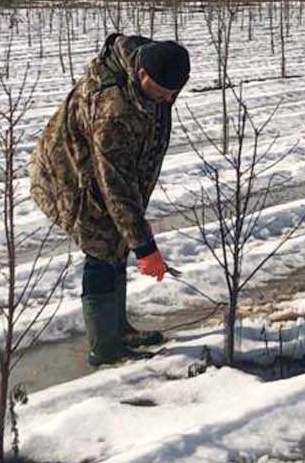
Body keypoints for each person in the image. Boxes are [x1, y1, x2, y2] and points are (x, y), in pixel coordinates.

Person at [29, 32, 190, 366]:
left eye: (171, 95)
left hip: (103, 168)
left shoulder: (149, 74)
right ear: (141, 75)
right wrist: (145, 248)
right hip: (70, 175)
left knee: (118, 240)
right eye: (160, 93)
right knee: (102, 246)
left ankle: (119, 330)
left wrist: (133, 236)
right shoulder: (112, 109)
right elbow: (113, 185)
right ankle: (104, 348)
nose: (165, 101)